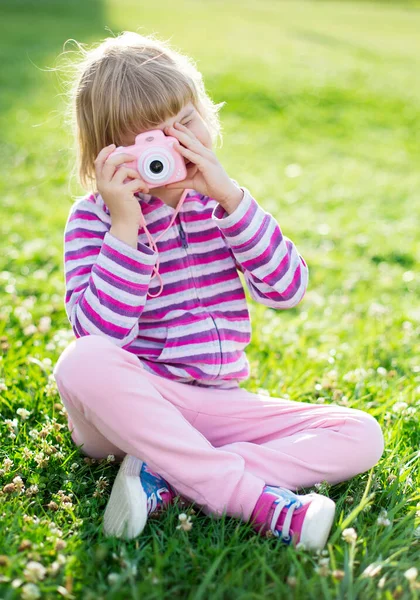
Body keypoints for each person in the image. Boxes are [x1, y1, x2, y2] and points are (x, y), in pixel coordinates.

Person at [52, 31, 384, 551]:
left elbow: (287, 289)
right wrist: (125, 227)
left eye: (184, 123)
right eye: (149, 143)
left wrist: (231, 200)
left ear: (207, 116)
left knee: (361, 433)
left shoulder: (221, 206)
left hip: (216, 406)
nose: (174, 147)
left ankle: (171, 476)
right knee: (81, 360)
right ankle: (250, 499)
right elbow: (100, 333)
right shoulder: (94, 219)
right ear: (107, 156)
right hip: (130, 412)